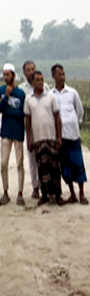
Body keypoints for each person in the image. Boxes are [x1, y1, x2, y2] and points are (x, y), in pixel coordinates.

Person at [25, 71, 65, 206]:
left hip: (51, 137)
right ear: (32, 82)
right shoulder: (28, 100)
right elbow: (28, 121)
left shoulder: (50, 98)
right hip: (38, 139)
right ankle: (45, 195)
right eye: (37, 80)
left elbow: (57, 118)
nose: (40, 82)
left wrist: (59, 137)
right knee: (42, 168)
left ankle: (58, 195)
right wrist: (29, 139)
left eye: (42, 80)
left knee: (54, 167)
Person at [51, 64, 86, 205]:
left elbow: (80, 111)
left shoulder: (72, 93)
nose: (62, 77)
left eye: (64, 74)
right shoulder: (51, 95)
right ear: (54, 76)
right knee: (65, 167)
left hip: (73, 135)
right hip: (60, 137)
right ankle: (72, 194)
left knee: (78, 164)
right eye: (59, 74)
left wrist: (73, 123)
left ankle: (82, 193)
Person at [0, 64, 26, 205]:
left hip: (18, 132)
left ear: (13, 75)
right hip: (6, 132)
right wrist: (6, 96)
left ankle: (20, 193)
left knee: (19, 162)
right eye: (4, 74)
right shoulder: (1, 91)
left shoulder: (21, 94)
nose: (6, 77)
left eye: (8, 74)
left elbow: (21, 114)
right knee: (3, 163)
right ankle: (5, 191)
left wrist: (8, 110)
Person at [18, 60, 50, 199]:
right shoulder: (21, 90)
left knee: (47, 157)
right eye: (28, 70)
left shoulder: (46, 87)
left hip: (45, 128)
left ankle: (48, 186)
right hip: (30, 129)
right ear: (24, 73)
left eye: (33, 69)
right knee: (32, 159)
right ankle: (36, 187)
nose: (31, 72)